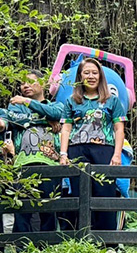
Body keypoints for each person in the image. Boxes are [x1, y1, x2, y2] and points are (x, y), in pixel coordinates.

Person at [59, 57, 126, 231]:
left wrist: (117, 154)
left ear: (100, 76)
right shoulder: (72, 101)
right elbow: (66, 129)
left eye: (94, 72)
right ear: (80, 76)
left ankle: (107, 241)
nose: (91, 76)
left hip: (104, 149)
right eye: (86, 72)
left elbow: (119, 129)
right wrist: (63, 153)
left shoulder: (112, 100)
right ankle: (81, 237)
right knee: (78, 192)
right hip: (77, 149)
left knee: (105, 192)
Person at [0, 70, 64, 233]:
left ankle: (47, 248)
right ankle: (22, 250)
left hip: (51, 164)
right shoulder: (15, 107)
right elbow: (8, 118)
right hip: (22, 164)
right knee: (22, 211)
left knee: (49, 209)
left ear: (43, 84)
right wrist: (44, 119)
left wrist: (27, 103)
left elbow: (56, 113)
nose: (25, 85)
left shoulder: (56, 105)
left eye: (30, 81)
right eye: (22, 83)